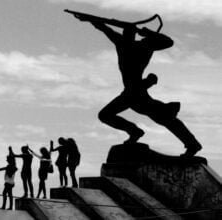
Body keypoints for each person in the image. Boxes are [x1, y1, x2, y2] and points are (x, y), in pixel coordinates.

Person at [75, 14, 202, 157]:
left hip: (137, 93)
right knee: (106, 115)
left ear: (133, 34)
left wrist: (147, 32)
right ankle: (135, 131)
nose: (125, 35)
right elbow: (104, 28)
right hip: (131, 92)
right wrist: (90, 20)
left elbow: (167, 42)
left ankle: (191, 144)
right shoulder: (122, 43)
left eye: (128, 32)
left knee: (164, 118)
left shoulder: (144, 46)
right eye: (125, 32)